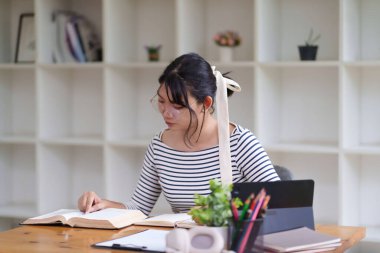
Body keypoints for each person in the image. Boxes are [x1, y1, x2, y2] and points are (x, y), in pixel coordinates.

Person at [78, 53, 280, 215]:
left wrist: (227, 209)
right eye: (161, 101)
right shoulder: (160, 145)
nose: (166, 112)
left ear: (206, 103)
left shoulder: (240, 143)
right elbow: (139, 207)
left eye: (177, 106)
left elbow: (282, 204)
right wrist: (101, 204)